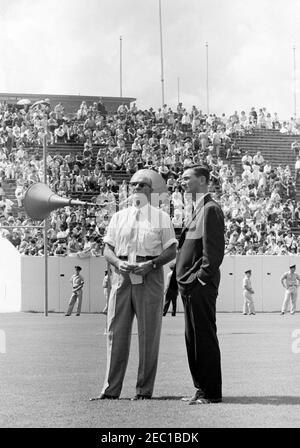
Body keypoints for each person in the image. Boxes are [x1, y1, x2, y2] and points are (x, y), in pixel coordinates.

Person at [90, 170, 177, 401]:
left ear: (150, 191)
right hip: (121, 275)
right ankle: (110, 391)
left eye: (141, 185)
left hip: (149, 275)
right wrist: (118, 262)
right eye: (133, 185)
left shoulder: (161, 217)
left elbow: (171, 250)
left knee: (149, 335)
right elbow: (107, 249)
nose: (136, 188)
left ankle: (143, 391)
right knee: (115, 332)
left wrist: (152, 264)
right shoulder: (118, 217)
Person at [166, 165, 225, 405]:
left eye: (187, 178)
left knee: (204, 337)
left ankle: (211, 393)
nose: (182, 181)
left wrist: (200, 278)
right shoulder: (198, 209)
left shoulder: (211, 209)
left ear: (203, 180)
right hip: (189, 286)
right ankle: (200, 388)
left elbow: (214, 251)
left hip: (198, 285)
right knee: (193, 338)